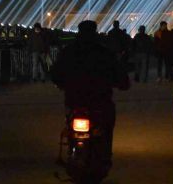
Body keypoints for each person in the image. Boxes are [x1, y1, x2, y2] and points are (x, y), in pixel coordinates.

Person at [51, 20, 130, 170]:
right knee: (107, 127)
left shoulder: (68, 51)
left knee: (69, 122)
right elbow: (120, 76)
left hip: (74, 99)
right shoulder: (104, 53)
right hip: (99, 102)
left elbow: (56, 74)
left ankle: (71, 150)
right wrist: (122, 84)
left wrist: (61, 83)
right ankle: (105, 154)